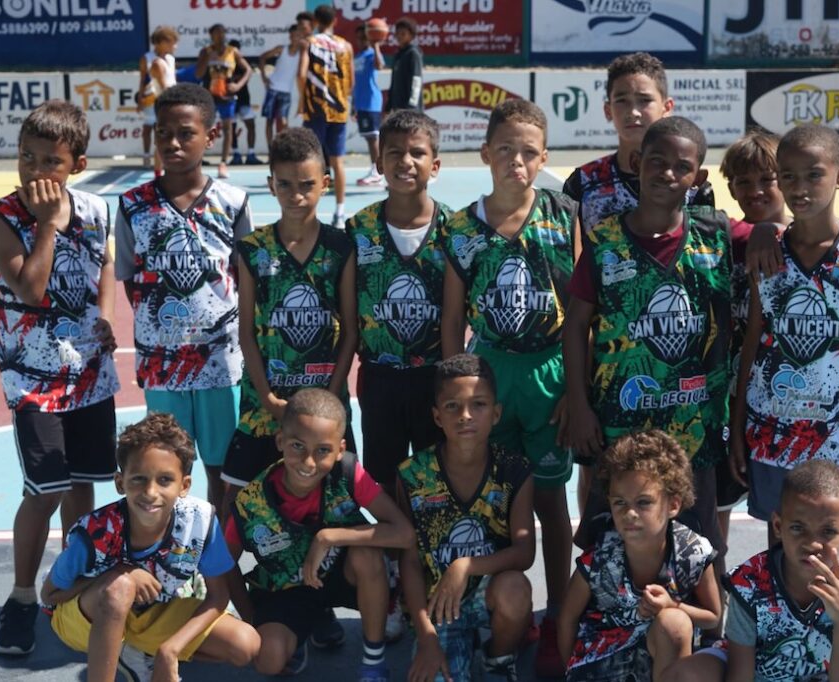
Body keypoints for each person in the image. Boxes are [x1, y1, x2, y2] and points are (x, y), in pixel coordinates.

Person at [439, 98, 577, 678]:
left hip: (549, 373)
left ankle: (558, 612)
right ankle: (497, 608)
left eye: (527, 153)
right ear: (485, 156)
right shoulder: (461, 229)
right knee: (497, 497)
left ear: (543, 157)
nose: (516, 162)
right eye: (504, 151)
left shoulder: (564, 214)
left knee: (550, 500)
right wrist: (457, 389)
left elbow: (580, 306)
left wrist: (577, 387)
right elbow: (452, 319)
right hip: (490, 373)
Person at [0, 99, 119, 657]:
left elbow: (104, 263)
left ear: (77, 164)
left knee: (82, 482)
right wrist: (46, 226)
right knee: (45, 490)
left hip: (88, 371)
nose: (36, 171)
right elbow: (32, 289)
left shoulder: (95, 209)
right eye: (27, 157)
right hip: (32, 376)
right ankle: (19, 598)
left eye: (50, 162)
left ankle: (68, 585)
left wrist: (106, 314)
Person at [563, 117, 732, 580]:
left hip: (692, 425)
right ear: (637, 163)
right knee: (611, 537)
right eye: (657, 162)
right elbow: (575, 326)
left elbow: (776, 233)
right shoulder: (603, 243)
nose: (667, 174)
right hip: (621, 424)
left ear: (698, 179)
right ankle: (604, 632)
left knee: (699, 544)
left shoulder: (716, 237)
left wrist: (762, 230)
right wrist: (579, 404)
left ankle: (707, 637)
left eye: (682, 167)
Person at [731, 124, 839, 564]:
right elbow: (753, 342)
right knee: (783, 534)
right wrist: (739, 425)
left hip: (836, 435)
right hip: (771, 430)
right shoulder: (768, 253)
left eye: (813, 175)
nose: (799, 188)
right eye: (788, 176)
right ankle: (785, 630)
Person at [115, 83, 252, 513]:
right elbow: (130, 278)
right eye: (163, 132)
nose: (172, 142)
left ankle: (220, 565)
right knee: (167, 467)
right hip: (162, 363)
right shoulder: (133, 205)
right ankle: (176, 565)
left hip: (220, 361)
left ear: (211, 136)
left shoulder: (232, 202)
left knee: (222, 471)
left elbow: (245, 281)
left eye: (186, 133)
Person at [42, 414, 261, 681]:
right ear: (120, 483)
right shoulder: (96, 532)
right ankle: (116, 651)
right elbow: (50, 595)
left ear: (185, 485)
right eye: (139, 479)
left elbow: (218, 597)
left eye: (165, 479)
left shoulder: (200, 521)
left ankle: (139, 650)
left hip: (153, 612)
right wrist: (119, 572)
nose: (150, 491)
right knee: (120, 587)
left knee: (245, 643)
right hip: (83, 619)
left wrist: (170, 649)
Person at [221, 126, 358, 537]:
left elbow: (350, 331)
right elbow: (246, 332)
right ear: (270, 185)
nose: (296, 195)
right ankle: (216, 587)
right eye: (285, 185)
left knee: (337, 494)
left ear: (326, 184)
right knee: (235, 498)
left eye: (307, 185)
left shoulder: (340, 247)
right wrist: (267, 397)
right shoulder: (252, 248)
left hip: (326, 401)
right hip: (265, 399)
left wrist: (332, 394)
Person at [225, 388, 414, 680]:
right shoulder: (251, 503)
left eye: (322, 450)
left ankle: (373, 663)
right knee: (268, 661)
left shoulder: (349, 473)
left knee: (367, 554)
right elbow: (226, 565)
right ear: (280, 441)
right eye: (298, 446)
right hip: (288, 590)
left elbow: (404, 534)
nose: (309, 462)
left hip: (343, 572)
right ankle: (303, 630)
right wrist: (250, 620)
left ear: (340, 450)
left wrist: (330, 537)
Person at [346, 109, 449, 640]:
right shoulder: (357, 230)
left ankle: (430, 581)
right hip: (381, 378)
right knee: (384, 481)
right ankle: (388, 582)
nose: (405, 162)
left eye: (416, 153)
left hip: (436, 380)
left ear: (436, 161)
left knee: (435, 481)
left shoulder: (457, 228)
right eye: (394, 154)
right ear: (379, 161)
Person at [665, 460, 839, 682]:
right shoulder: (750, 584)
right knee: (685, 675)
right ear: (778, 526)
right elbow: (740, 676)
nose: (812, 544)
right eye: (798, 528)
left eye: (828, 531)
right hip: (755, 672)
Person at [398, 354, 535, 682]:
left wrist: (467, 565)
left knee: (516, 589)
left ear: (496, 413)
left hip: (492, 593)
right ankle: (448, 642)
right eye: (452, 407)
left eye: (479, 404)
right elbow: (410, 562)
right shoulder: (412, 474)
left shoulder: (515, 470)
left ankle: (497, 658)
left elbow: (525, 552)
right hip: (439, 606)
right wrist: (427, 636)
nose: (466, 416)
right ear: (436, 415)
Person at [557, 430, 721, 682]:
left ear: (673, 505)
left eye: (643, 502)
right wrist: (569, 669)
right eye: (620, 502)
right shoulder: (600, 557)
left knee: (675, 623)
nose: (630, 513)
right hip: (601, 661)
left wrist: (672, 605)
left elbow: (713, 617)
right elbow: (567, 618)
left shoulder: (693, 553)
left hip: (660, 658)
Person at [715, 129, 787, 544]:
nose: (755, 189)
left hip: (783, 406)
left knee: (785, 525)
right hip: (728, 401)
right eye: (743, 181)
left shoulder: (808, 245)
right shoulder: (722, 241)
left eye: (767, 179)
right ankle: (716, 607)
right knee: (714, 523)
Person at [562, 52, 714, 236]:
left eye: (644, 100)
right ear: (608, 110)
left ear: (666, 107)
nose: (633, 112)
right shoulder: (583, 183)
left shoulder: (692, 188)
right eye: (622, 101)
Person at [297, 4, 354, 229]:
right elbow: (350, 82)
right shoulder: (346, 45)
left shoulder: (309, 43)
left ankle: (307, 211)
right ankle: (340, 212)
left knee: (309, 159)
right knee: (337, 161)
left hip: (316, 108)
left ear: (315, 21)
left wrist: (304, 99)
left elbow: (302, 75)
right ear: (335, 21)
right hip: (338, 109)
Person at [194, 23, 251, 179]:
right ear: (211, 35)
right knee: (202, 128)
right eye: (216, 33)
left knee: (227, 128)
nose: (220, 36)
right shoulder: (205, 51)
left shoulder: (232, 52)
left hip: (227, 96)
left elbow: (248, 69)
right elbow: (198, 75)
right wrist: (205, 59)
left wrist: (238, 85)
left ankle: (223, 163)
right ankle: (197, 160)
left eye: (222, 33)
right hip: (208, 95)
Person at [137, 26, 178, 173]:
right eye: (172, 42)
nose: (175, 46)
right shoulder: (149, 59)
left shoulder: (170, 59)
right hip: (156, 100)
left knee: (165, 136)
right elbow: (144, 80)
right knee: (154, 132)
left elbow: (171, 80)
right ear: (161, 42)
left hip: (169, 101)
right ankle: (151, 162)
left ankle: (162, 170)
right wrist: (141, 97)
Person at [258, 24, 303, 154]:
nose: (296, 38)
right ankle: (270, 150)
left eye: (299, 36)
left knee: (283, 122)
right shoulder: (281, 49)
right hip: (273, 89)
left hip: (286, 92)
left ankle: (283, 149)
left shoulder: (302, 54)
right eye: (294, 35)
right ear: (290, 36)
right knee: (269, 120)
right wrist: (264, 77)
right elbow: (262, 57)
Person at [353, 21, 386, 187]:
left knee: (374, 138)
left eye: (364, 38)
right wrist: (353, 105)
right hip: (360, 103)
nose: (361, 41)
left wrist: (376, 45)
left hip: (371, 101)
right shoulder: (356, 57)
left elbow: (380, 66)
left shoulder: (372, 54)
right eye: (359, 38)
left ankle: (377, 172)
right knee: (369, 138)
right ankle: (375, 168)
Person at [227, 39, 260, 166]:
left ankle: (251, 154)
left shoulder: (242, 63)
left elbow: (248, 72)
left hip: (244, 100)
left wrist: (238, 84)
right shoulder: (225, 63)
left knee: (251, 125)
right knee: (232, 128)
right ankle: (236, 154)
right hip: (229, 100)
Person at [384, 16, 424, 113]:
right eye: (397, 33)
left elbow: (416, 80)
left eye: (403, 34)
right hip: (398, 109)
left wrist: (412, 106)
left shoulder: (413, 53)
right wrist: (389, 105)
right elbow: (393, 82)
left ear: (411, 36)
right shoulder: (398, 55)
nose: (399, 36)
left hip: (410, 110)